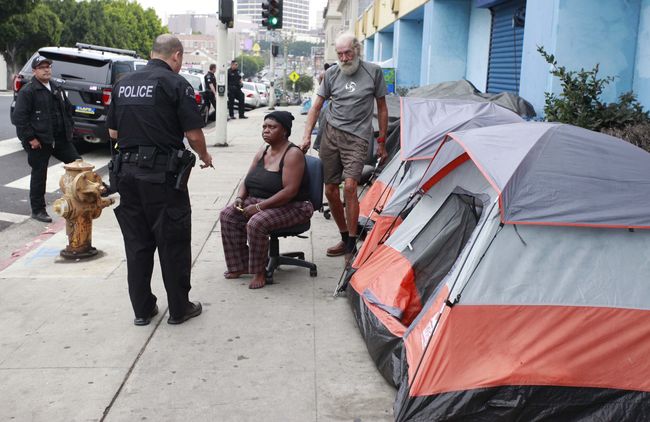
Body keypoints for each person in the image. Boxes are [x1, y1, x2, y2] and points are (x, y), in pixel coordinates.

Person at [106, 34, 214, 326]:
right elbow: (193, 135)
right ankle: (180, 309)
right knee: (173, 243)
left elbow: (113, 134)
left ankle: (142, 310)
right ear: (176, 55)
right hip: (162, 178)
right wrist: (204, 156)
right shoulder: (176, 84)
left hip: (125, 177)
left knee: (137, 245)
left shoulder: (123, 84)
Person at [300, 33, 388, 262]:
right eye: (340, 54)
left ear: (357, 50)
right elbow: (316, 106)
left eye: (348, 53)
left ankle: (351, 243)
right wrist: (307, 135)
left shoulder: (373, 71)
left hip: (358, 137)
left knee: (349, 187)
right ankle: (344, 237)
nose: (344, 58)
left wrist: (382, 141)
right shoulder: (331, 73)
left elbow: (382, 108)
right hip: (331, 136)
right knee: (329, 190)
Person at [220, 111, 313, 289]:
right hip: (261, 199)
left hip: (294, 206)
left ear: (284, 131)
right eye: (264, 127)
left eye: (272, 127)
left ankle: (259, 271)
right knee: (228, 215)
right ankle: (240, 266)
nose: (266, 131)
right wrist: (240, 197)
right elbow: (247, 179)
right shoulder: (263, 150)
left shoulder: (293, 154)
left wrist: (259, 207)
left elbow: (290, 191)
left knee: (257, 222)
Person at [12, 55, 81, 223]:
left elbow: (68, 110)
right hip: (39, 141)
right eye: (42, 67)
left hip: (60, 139)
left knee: (79, 165)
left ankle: (80, 200)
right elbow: (19, 119)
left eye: (48, 66)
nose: (46, 69)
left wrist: (69, 130)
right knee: (39, 174)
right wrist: (30, 139)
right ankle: (38, 210)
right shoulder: (28, 91)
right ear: (35, 71)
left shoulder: (56, 88)